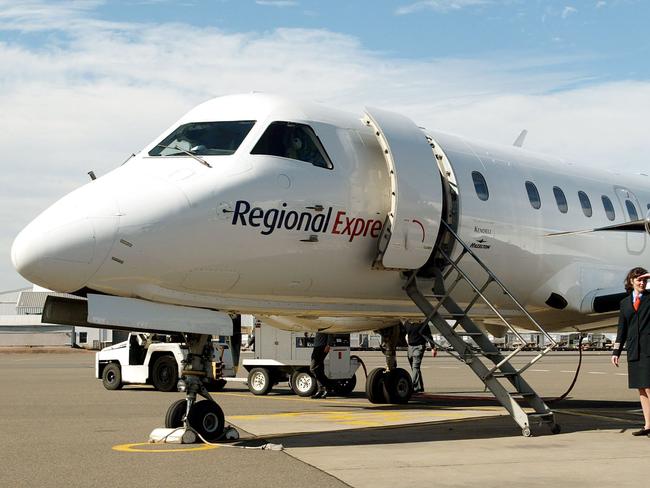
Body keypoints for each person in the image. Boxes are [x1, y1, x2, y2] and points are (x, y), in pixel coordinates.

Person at [611, 266, 650, 436]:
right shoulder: (625, 303)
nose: (642, 282)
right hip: (634, 350)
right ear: (631, 281)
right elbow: (622, 330)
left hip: (649, 349)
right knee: (641, 388)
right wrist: (616, 352)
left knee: (649, 388)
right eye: (639, 279)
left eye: (645, 280)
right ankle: (648, 425)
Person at [403, 321, 437, 393]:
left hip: (419, 347)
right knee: (414, 368)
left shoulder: (423, 323)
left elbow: (428, 335)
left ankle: (411, 386)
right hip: (410, 347)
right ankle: (419, 387)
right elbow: (402, 333)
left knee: (415, 367)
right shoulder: (407, 323)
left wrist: (433, 348)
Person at [310, 332, 332, 399]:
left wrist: (328, 345)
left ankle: (328, 385)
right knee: (319, 369)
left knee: (313, 368)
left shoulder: (324, 323)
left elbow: (331, 332)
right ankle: (321, 390)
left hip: (322, 347)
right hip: (317, 346)